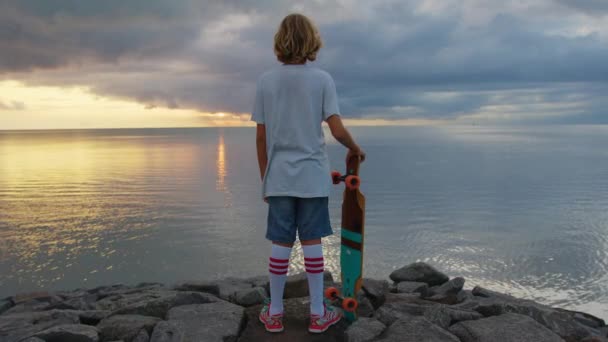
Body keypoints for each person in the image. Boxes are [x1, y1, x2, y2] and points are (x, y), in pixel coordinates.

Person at [251, 13, 365, 334]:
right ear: (312, 42)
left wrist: (266, 178)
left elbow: (261, 137)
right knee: (312, 239)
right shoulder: (322, 80)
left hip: (279, 177)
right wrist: (354, 148)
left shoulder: (266, 81)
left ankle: (274, 312)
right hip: (312, 175)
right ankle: (318, 313)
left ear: (279, 43)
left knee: (280, 241)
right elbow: (337, 128)